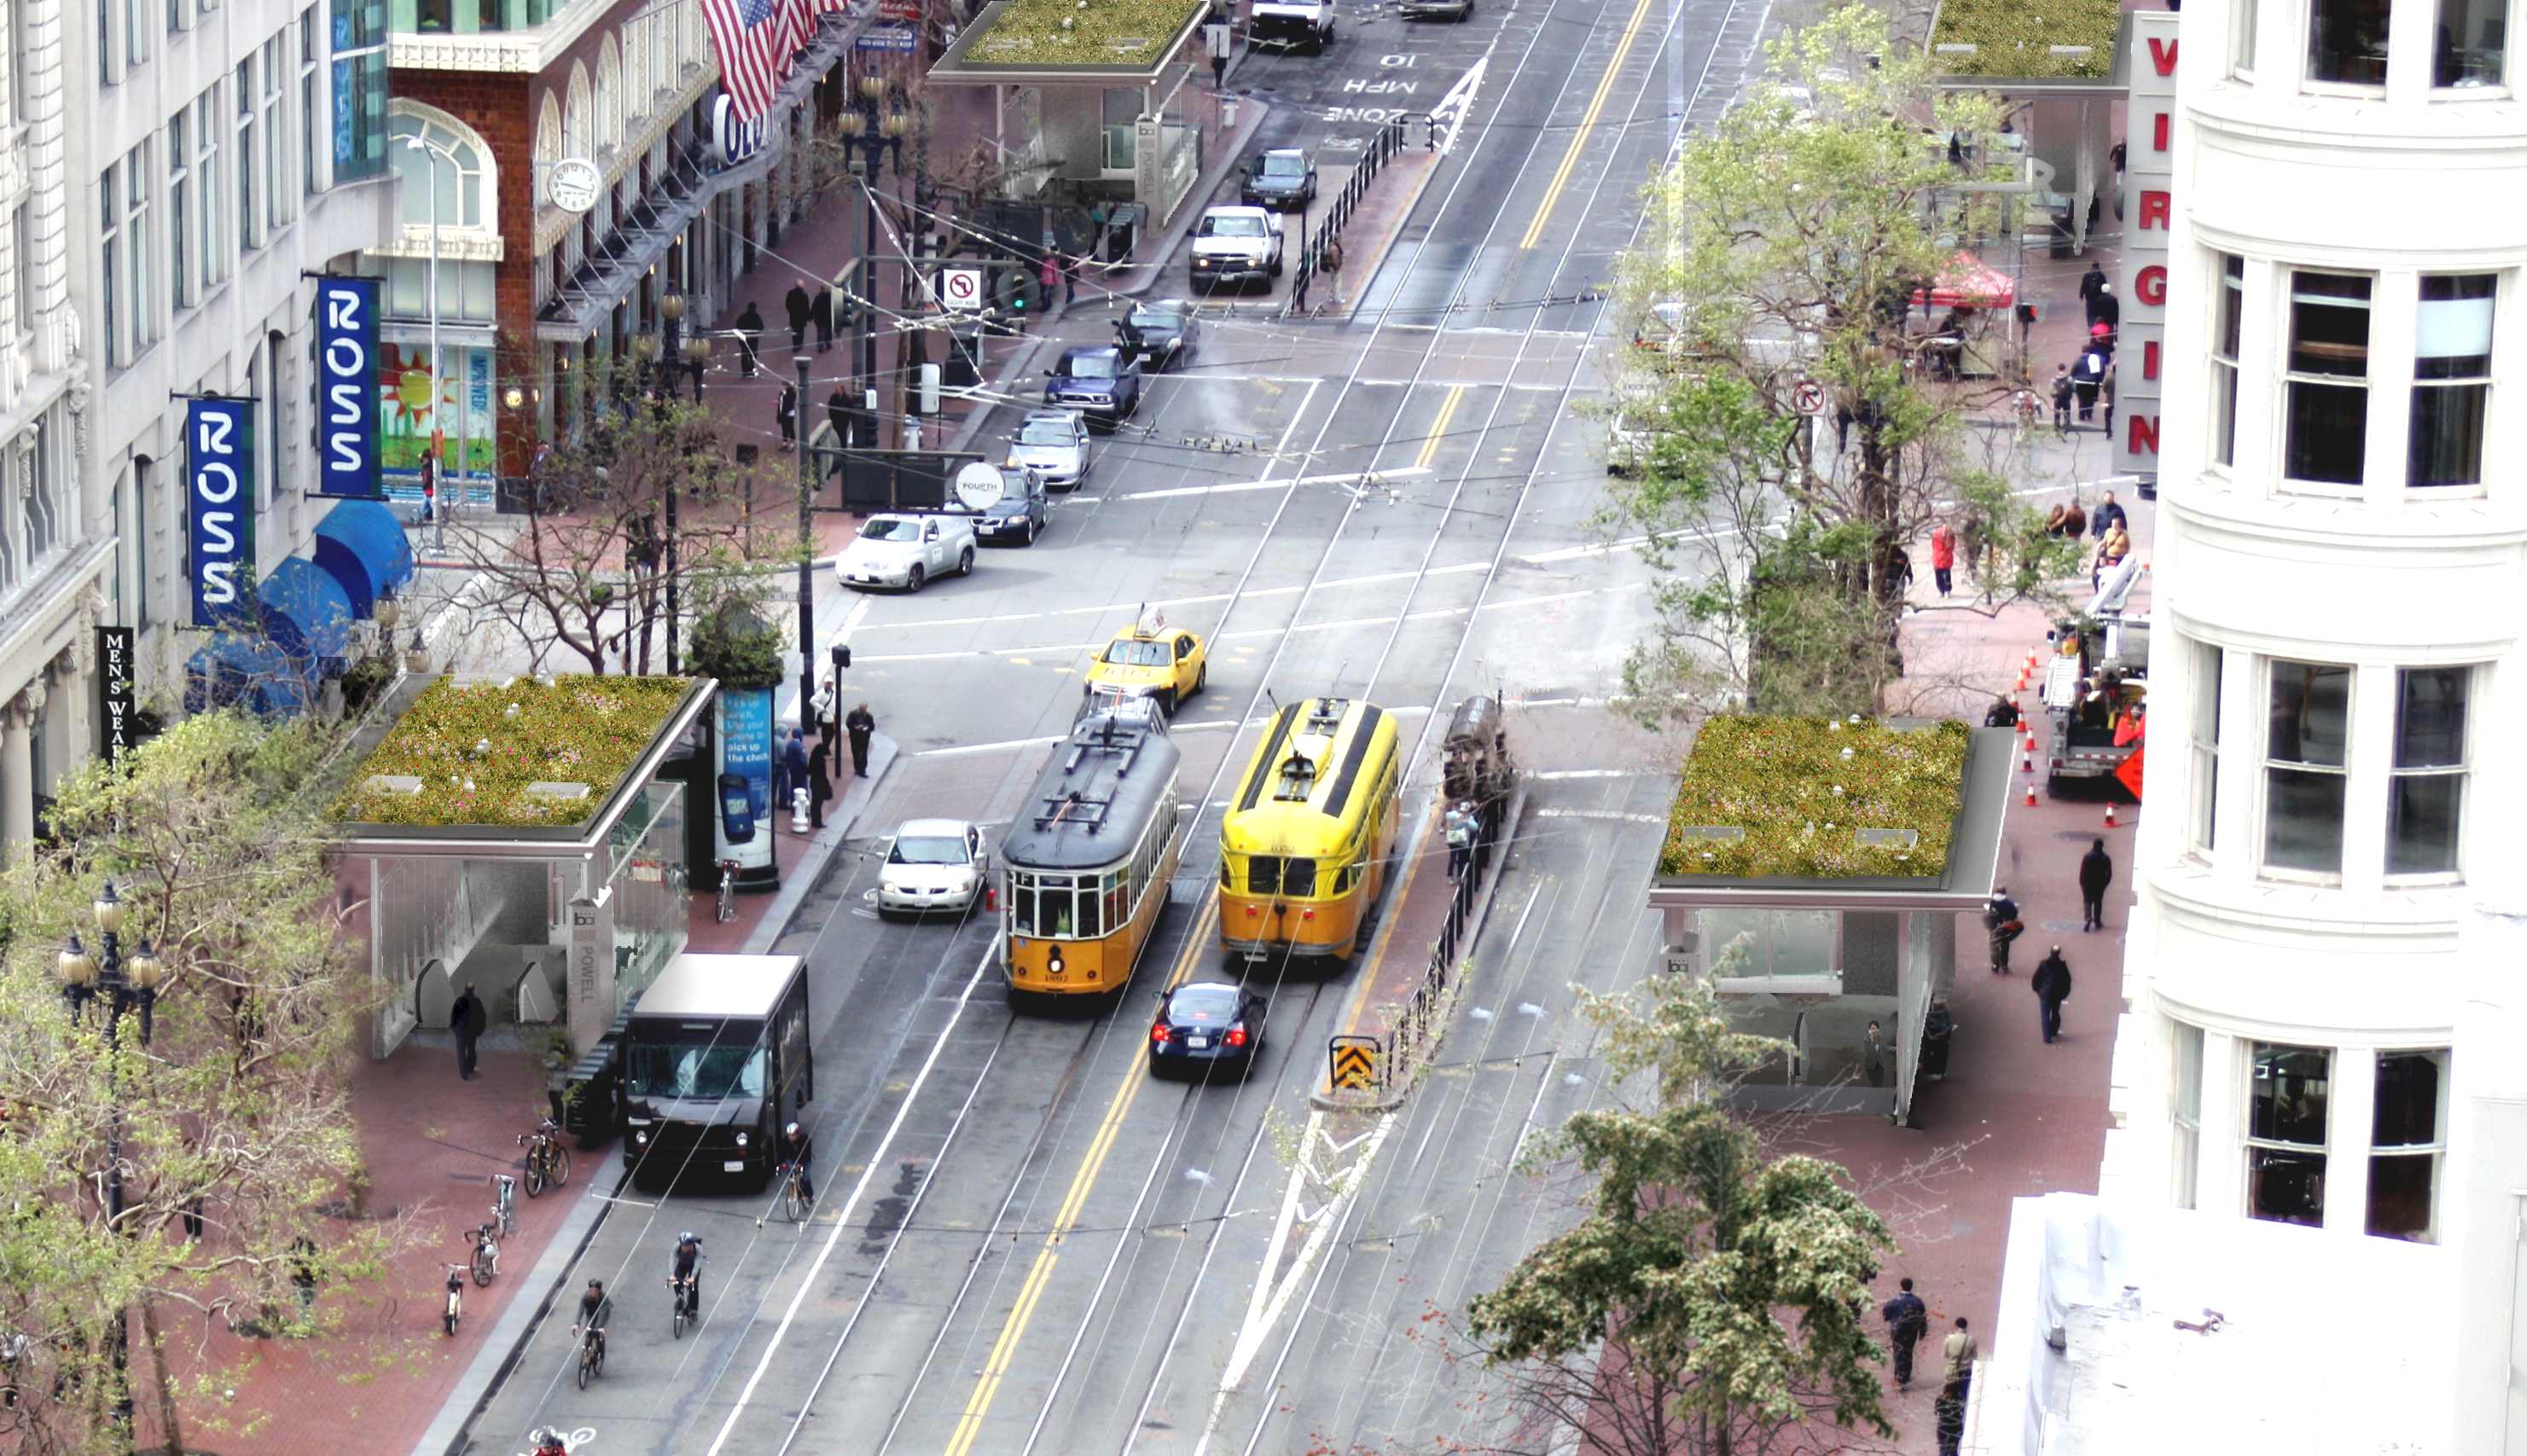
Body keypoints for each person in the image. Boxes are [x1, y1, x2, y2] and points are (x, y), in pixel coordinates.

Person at [1881, 1278, 1929, 1388]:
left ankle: (1899, 1377)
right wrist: (1923, 1331)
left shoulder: (1894, 1300)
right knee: (1908, 1350)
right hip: (1912, 1331)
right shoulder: (1918, 1301)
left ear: (1901, 1286)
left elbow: (1886, 1317)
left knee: (1898, 1352)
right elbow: (1922, 1318)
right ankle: (1906, 1374)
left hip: (1897, 1331)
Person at [2031, 945, 2073, 1043]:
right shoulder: (2062, 967)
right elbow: (2067, 981)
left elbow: (2037, 978)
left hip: (2045, 995)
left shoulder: (2044, 964)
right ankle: (2054, 1031)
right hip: (2057, 995)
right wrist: (2064, 994)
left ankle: (2047, 1037)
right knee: (2055, 1013)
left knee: (2045, 1015)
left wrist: (2038, 989)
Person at [1984, 886, 2023, 974]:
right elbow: (2014, 915)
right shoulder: (2008, 903)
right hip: (2004, 927)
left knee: (1993, 944)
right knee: (2005, 944)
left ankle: (1995, 965)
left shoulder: (1990, 902)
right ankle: (2004, 963)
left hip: (1993, 926)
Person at [2078, 837, 2114, 931]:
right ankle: (2097, 921)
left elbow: (2082, 871)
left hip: (2088, 883)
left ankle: (2088, 918)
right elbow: (2109, 874)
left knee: (2087, 901)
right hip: (2099, 884)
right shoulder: (2105, 858)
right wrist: (2105, 884)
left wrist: (2082, 883)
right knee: (2098, 902)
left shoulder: (2087, 856)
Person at [450, 981, 482, 1081]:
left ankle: (464, 1074)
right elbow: (481, 1017)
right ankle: (470, 1068)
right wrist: (479, 1029)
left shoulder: (459, 1001)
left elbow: (454, 1015)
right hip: (472, 1031)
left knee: (461, 1052)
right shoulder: (476, 1001)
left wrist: (454, 1028)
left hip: (460, 1030)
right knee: (471, 1050)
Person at [571, 1278, 611, 1355]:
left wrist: (599, 1326)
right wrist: (577, 1323)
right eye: (591, 1290)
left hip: (602, 1314)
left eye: (595, 1291)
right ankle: (587, 1349)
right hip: (590, 1314)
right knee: (588, 1330)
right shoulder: (586, 1296)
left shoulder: (603, 1298)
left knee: (596, 1330)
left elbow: (603, 1312)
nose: (593, 1293)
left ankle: (600, 1350)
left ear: (599, 1291)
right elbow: (581, 1308)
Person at [1943, 1316, 1978, 1400]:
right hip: (1965, 1370)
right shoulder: (1971, 1340)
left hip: (1952, 1370)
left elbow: (1945, 1354)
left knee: (1948, 1394)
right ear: (1965, 1326)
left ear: (1956, 1326)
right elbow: (1975, 1356)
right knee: (1964, 1394)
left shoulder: (1949, 1338)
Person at [780, 1120, 815, 1203]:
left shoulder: (804, 1138)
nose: (791, 1138)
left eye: (793, 1135)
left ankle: (809, 1195)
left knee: (805, 1177)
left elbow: (807, 1152)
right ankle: (795, 1189)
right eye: (789, 1135)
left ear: (797, 1134)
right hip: (793, 1157)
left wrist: (801, 1163)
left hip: (805, 1160)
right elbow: (782, 1152)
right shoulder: (785, 1140)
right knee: (791, 1172)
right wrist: (782, 1162)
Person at [671, 1233, 703, 1320]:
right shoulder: (677, 1246)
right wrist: (671, 1274)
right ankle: (680, 1299)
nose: (685, 1247)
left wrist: (693, 1277)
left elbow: (698, 1262)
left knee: (693, 1286)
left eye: (687, 1245)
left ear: (691, 1244)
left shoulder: (698, 1249)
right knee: (676, 1282)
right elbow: (673, 1258)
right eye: (683, 1245)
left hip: (693, 1266)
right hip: (682, 1264)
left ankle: (693, 1310)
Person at [781, 728, 810, 822]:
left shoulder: (789, 744)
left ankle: (793, 807)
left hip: (792, 770)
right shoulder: (799, 746)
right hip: (800, 771)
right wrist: (807, 769)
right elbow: (803, 760)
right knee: (802, 789)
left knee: (793, 788)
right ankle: (801, 809)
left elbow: (787, 757)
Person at [2093, 520, 2131, 589]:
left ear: (2119, 525)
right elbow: (2104, 541)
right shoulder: (2109, 531)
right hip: (2110, 556)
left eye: (2116, 524)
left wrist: (2125, 553)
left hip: (2120, 557)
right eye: (2113, 524)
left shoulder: (2124, 533)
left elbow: (2127, 545)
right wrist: (2099, 546)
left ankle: (2121, 587)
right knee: (2105, 572)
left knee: (2121, 574)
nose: (2114, 526)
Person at [2070, 348, 2104, 424]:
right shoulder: (2095, 360)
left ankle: (2081, 415)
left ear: (2082, 351)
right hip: (2091, 382)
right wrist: (2099, 382)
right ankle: (2089, 414)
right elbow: (2099, 371)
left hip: (2080, 382)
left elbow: (2073, 372)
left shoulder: (2078, 360)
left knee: (2081, 399)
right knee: (2090, 399)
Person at [1935, 1379, 1966, 1456]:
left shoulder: (1940, 1400)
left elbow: (1936, 1412)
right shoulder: (1960, 1400)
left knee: (1943, 1450)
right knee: (1953, 1451)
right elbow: (1962, 1413)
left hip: (1944, 1429)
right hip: (1956, 1429)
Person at [808, 737, 834, 831]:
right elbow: (822, 774)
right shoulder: (820, 761)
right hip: (819, 784)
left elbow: (810, 770)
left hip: (814, 783)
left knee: (815, 802)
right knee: (818, 803)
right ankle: (817, 821)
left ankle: (815, 820)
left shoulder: (813, 757)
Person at [845, 702, 876, 778]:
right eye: (862, 709)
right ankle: (857, 768)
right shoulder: (852, 714)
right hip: (855, 737)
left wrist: (867, 728)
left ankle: (862, 770)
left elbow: (872, 727)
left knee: (863, 754)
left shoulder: (868, 716)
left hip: (864, 738)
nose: (863, 711)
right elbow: (848, 724)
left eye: (864, 710)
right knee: (856, 753)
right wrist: (855, 728)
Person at [1443, 802, 1472, 879]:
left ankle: (1460, 875)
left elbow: (1474, 827)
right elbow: (1448, 815)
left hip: (1461, 840)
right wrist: (1460, 817)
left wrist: (1468, 822)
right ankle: (1450, 875)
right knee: (1453, 857)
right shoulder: (1454, 815)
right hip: (1453, 839)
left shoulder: (1468, 818)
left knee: (1461, 859)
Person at [735, 301, 765, 376]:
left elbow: (738, 326)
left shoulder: (742, 317)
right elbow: (761, 327)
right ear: (754, 308)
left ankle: (745, 371)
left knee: (744, 354)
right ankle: (751, 369)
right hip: (753, 339)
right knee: (753, 355)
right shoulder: (756, 317)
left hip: (744, 339)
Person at [784, 278, 814, 351]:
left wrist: (791, 311)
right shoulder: (804, 295)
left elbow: (787, 304)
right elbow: (806, 307)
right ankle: (799, 343)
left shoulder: (790, 293)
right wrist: (809, 316)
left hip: (793, 315)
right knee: (800, 330)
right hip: (801, 316)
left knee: (794, 330)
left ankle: (795, 344)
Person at [1928, 522, 1955, 599]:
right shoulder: (1937, 535)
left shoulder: (1950, 536)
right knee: (1938, 574)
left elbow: (1952, 546)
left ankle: (1946, 590)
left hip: (1945, 557)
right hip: (1939, 557)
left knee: (1946, 575)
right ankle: (1942, 590)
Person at [2048, 363, 2074, 432]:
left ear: (2058, 369)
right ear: (2064, 369)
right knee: (2067, 412)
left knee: (2057, 413)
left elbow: (2051, 389)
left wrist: (2054, 396)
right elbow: (2073, 388)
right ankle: (2066, 426)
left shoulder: (2054, 379)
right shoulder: (2069, 379)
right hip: (2067, 398)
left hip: (2057, 398)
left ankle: (2057, 426)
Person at [1862, 1020, 1886, 1088]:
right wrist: (1872, 1041)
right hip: (1871, 1065)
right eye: (1873, 1028)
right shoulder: (1866, 1040)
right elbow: (1869, 1052)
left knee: (1880, 1083)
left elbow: (1884, 1046)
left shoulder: (1880, 1037)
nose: (1875, 1030)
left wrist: (1895, 1048)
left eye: (1876, 1028)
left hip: (1879, 1064)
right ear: (1870, 1030)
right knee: (1874, 1083)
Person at [813, 283, 836, 352]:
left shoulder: (818, 298)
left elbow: (814, 308)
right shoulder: (832, 298)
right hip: (829, 318)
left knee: (821, 332)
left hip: (820, 319)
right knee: (828, 331)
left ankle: (821, 346)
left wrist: (811, 316)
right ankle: (828, 343)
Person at [776, 382, 798, 451]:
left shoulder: (792, 394)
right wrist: (778, 402)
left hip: (789, 413)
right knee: (784, 428)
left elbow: (789, 403)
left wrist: (785, 395)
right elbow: (781, 402)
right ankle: (784, 443)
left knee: (790, 428)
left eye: (783, 386)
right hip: (782, 412)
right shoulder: (781, 393)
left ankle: (792, 444)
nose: (782, 387)